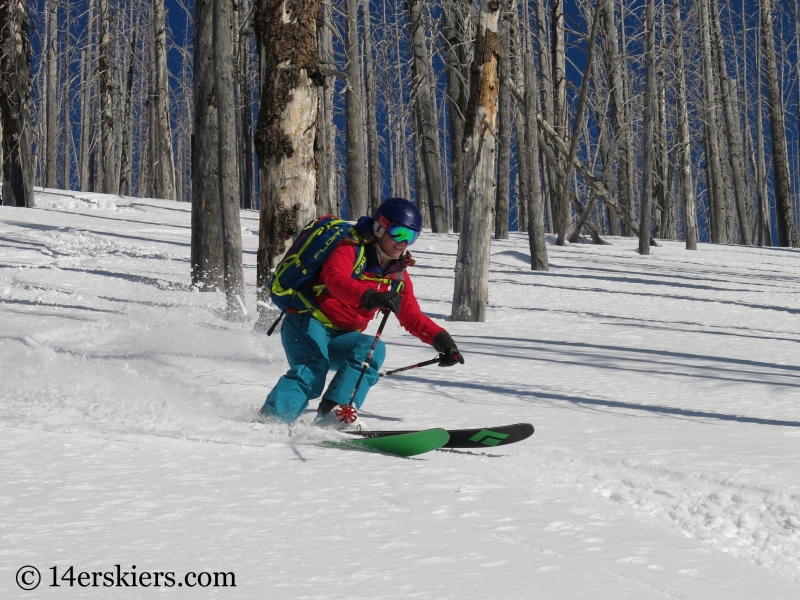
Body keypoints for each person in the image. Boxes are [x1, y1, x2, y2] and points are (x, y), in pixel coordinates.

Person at [261, 198, 464, 430]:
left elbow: (412, 317)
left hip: (342, 335)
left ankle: (335, 415)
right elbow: (335, 280)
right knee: (313, 366)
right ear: (379, 228)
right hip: (308, 322)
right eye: (398, 232)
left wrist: (443, 341)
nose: (403, 243)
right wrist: (371, 296)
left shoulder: (397, 276)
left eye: (411, 236)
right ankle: (271, 421)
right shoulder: (350, 249)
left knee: (372, 349)